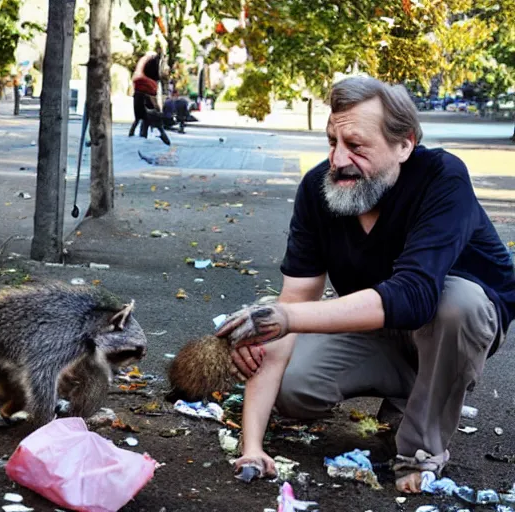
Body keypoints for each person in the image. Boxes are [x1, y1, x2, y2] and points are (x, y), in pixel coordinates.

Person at [215, 76, 515, 494]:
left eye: (356, 146)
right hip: (376, 325)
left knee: (455, 303)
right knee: (291, 386)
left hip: (453, 322)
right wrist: (251, 446)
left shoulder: (442, 178)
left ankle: (420, 450)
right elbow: (294, 300)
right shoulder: (319, 189)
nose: (338, 159)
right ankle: (419, 393)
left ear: (404, 144)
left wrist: (285, 317)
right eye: (332, 141)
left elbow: (414, 295)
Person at [128, 52, 170, 145]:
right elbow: (153, 99)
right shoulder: (150, 84)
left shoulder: (140, 81)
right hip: (148, 106)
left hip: (140, 98)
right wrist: (158, 108)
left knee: (139, 119)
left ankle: (136, 135)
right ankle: (165, 140)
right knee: (157, 124)